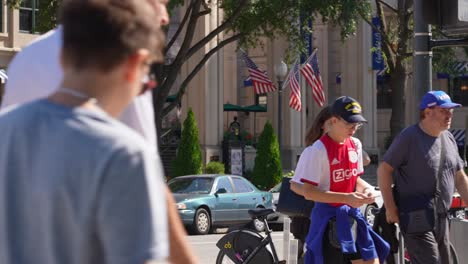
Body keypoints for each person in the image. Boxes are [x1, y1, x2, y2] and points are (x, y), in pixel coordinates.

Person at [1, 0, 197, 263]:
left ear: (63, 53)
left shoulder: (6, 126)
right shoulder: (126, 152)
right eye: (146, 80)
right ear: (134, 65)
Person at [295, 96, 389, 264]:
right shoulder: (317, 150)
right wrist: (346, 198)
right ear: (333, 121)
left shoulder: (356, 145)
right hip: (327, 219)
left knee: (371, 260)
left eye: (357, 124)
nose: (354, 128)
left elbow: (354, 179)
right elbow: (308, 192)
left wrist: (366, 190)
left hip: (352, 215)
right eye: (349, 124)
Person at [377, 90, 468, 264]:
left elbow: (460, 177)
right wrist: (389, 207)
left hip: (442, 217)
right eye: (443, 111)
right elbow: (383, 170)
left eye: (451, 111)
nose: (449, 115)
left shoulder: (449, 138)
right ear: (427, 112)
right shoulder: (409, 137)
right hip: (415, 217)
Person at [290, 106, 333, 263]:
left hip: (335, 217)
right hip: (311, 217)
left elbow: (366, 160)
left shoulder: (348, 147)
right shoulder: (313, 151)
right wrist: (316, 195)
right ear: (322, 125)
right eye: (332, 123)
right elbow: (294, 184)